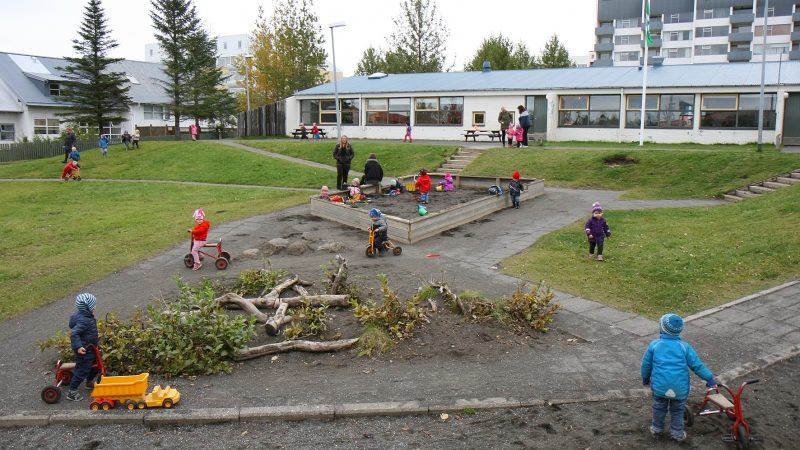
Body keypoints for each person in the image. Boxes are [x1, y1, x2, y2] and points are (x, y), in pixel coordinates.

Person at [641, 313, 718, 442]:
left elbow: (646, 365)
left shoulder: (654, 345)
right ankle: (677, 433)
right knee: (677, 410)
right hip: (680, 388)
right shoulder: (684, 347)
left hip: (660, 386)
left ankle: (657, 429)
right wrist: (709, 379)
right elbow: (697, 365)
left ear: (662, 328)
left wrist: (645, 378)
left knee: (659, 408)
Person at [65, 293, 100, 401]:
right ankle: (72, 391)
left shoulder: (85, 316)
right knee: (81, 371)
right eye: (93, 306)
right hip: (84, 351)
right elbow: (74, 333)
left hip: (91, 348)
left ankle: (89, 382)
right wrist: (79, 347)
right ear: (88, 308)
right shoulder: (84, 320)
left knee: (96, 366)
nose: (95, 308)